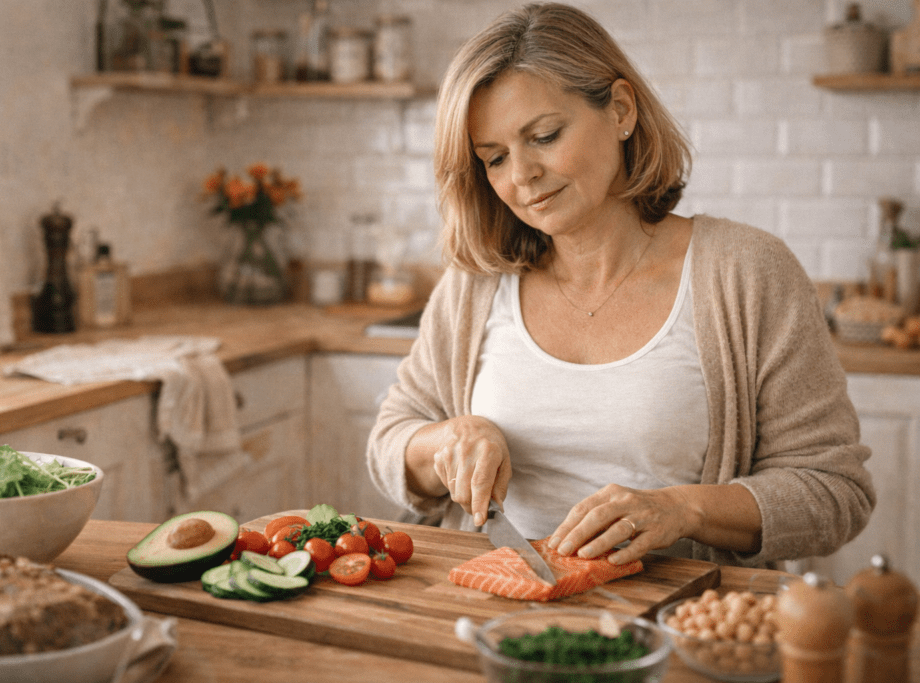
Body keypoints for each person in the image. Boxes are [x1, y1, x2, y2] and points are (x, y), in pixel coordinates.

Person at [366, 2, 875, 569]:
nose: (521, 175)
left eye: (545, 135)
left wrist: (684, 511)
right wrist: (448, 441)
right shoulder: (476, 286)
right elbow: (390, 442)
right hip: (490, 622)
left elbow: (835, 491)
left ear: (622, 111)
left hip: (674, 634)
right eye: (494, 158)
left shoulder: (747, 272)